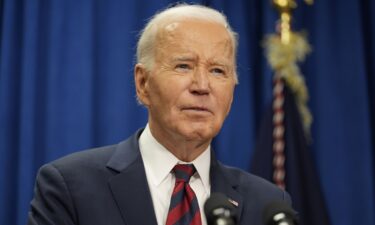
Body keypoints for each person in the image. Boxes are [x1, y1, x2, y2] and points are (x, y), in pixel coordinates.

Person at [28, 4, 292, 225]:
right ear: (143, 84)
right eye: (183, 66)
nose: (202, 86)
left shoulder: (269, 204)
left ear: (232, 91)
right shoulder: (69, 187)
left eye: (218, 71)